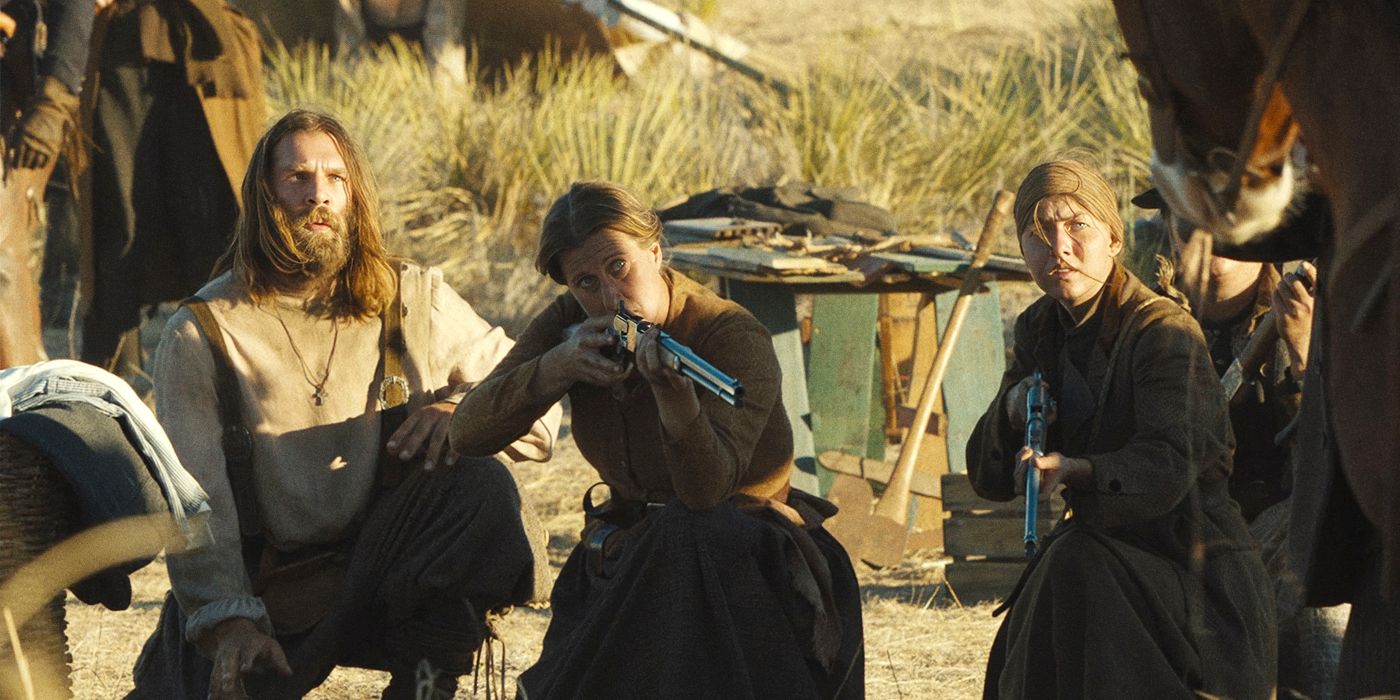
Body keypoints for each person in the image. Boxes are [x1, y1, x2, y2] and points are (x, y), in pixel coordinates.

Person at [127, 109, 561, 700]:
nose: (318, 196)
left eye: (336, 179)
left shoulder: (410, 297)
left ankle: (424, 687)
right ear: (264, 194)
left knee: (480, 484)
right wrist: (227, 622)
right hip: (272, 591)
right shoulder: (202, 331)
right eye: (298, 178)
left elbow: (538, 406)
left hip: (395, 574)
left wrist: (462, 408)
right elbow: (196, 507)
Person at [451, 180, 865, 699]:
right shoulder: (575, 321)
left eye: (619, 267)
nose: (609, 296)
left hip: (741, 563)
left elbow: (705, 496)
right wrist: (555, 368)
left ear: (654, 250)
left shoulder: (729, 334)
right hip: (628, 549)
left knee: (689, 533)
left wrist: (677, 402)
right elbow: (467, 432)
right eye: (585, 281)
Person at [966, 160, 1275, 698]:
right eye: (1039, 235)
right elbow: (985, 477)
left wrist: (1078, 471)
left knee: (1073, 566)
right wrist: (1016, 410)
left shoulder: (1165, 332)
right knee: (1058, 580)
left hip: (1195, 572)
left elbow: (1168, 467)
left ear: (1113, 240)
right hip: (1100, 556)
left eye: (1077, 227)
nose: (1059, 248)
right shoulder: (1039, 328)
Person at [78, 0, 265, 385]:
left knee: (217, 226)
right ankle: (113, 398)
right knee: (118, 227)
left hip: (208, 54)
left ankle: (232, 386)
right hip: (125, 48)